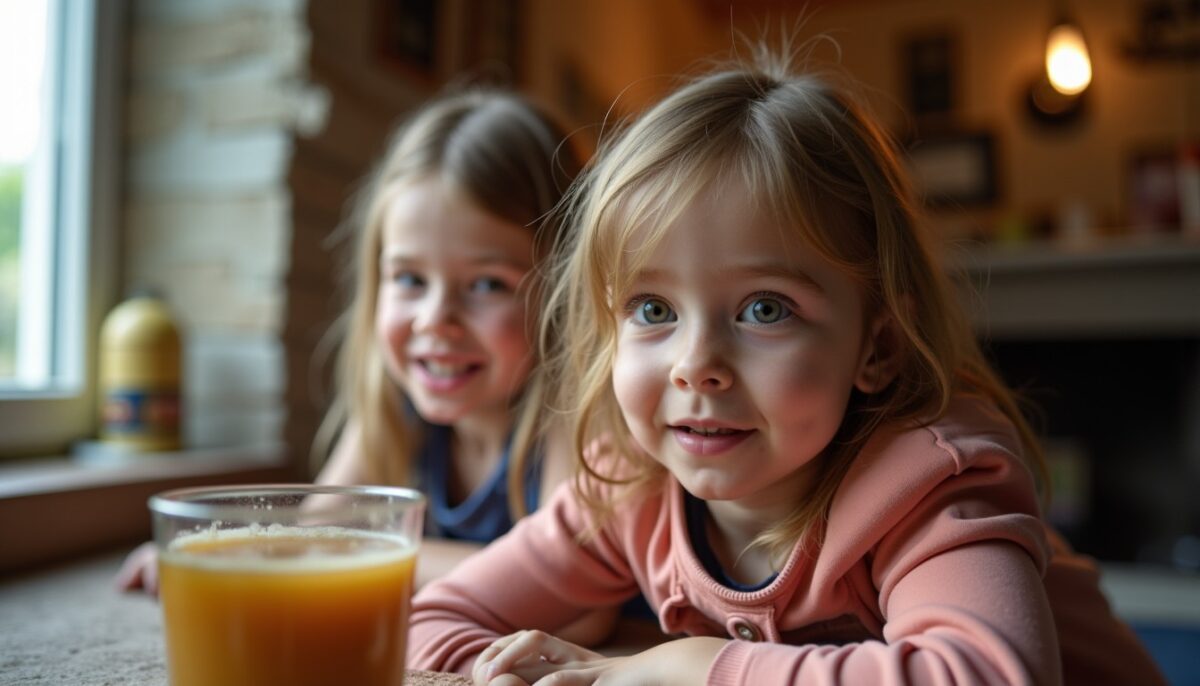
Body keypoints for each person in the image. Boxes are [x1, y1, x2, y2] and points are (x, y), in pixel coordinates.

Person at [406, 55, 1166, 685]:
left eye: (765, 309)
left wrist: (691, 669)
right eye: (652, 309)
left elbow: (984, 676)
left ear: (877, 347)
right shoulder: (627, 488)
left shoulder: (929, 481)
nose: (696, 366)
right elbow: (428, 621)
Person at [115, 91, 608, 641]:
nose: (434, 321)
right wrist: (243, 556)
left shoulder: (578, 413)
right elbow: (318, 530)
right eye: (409, 280)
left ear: (566, 292)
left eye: (487, 284)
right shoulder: (396, 406)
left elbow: (579, 606)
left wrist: (360, 550)